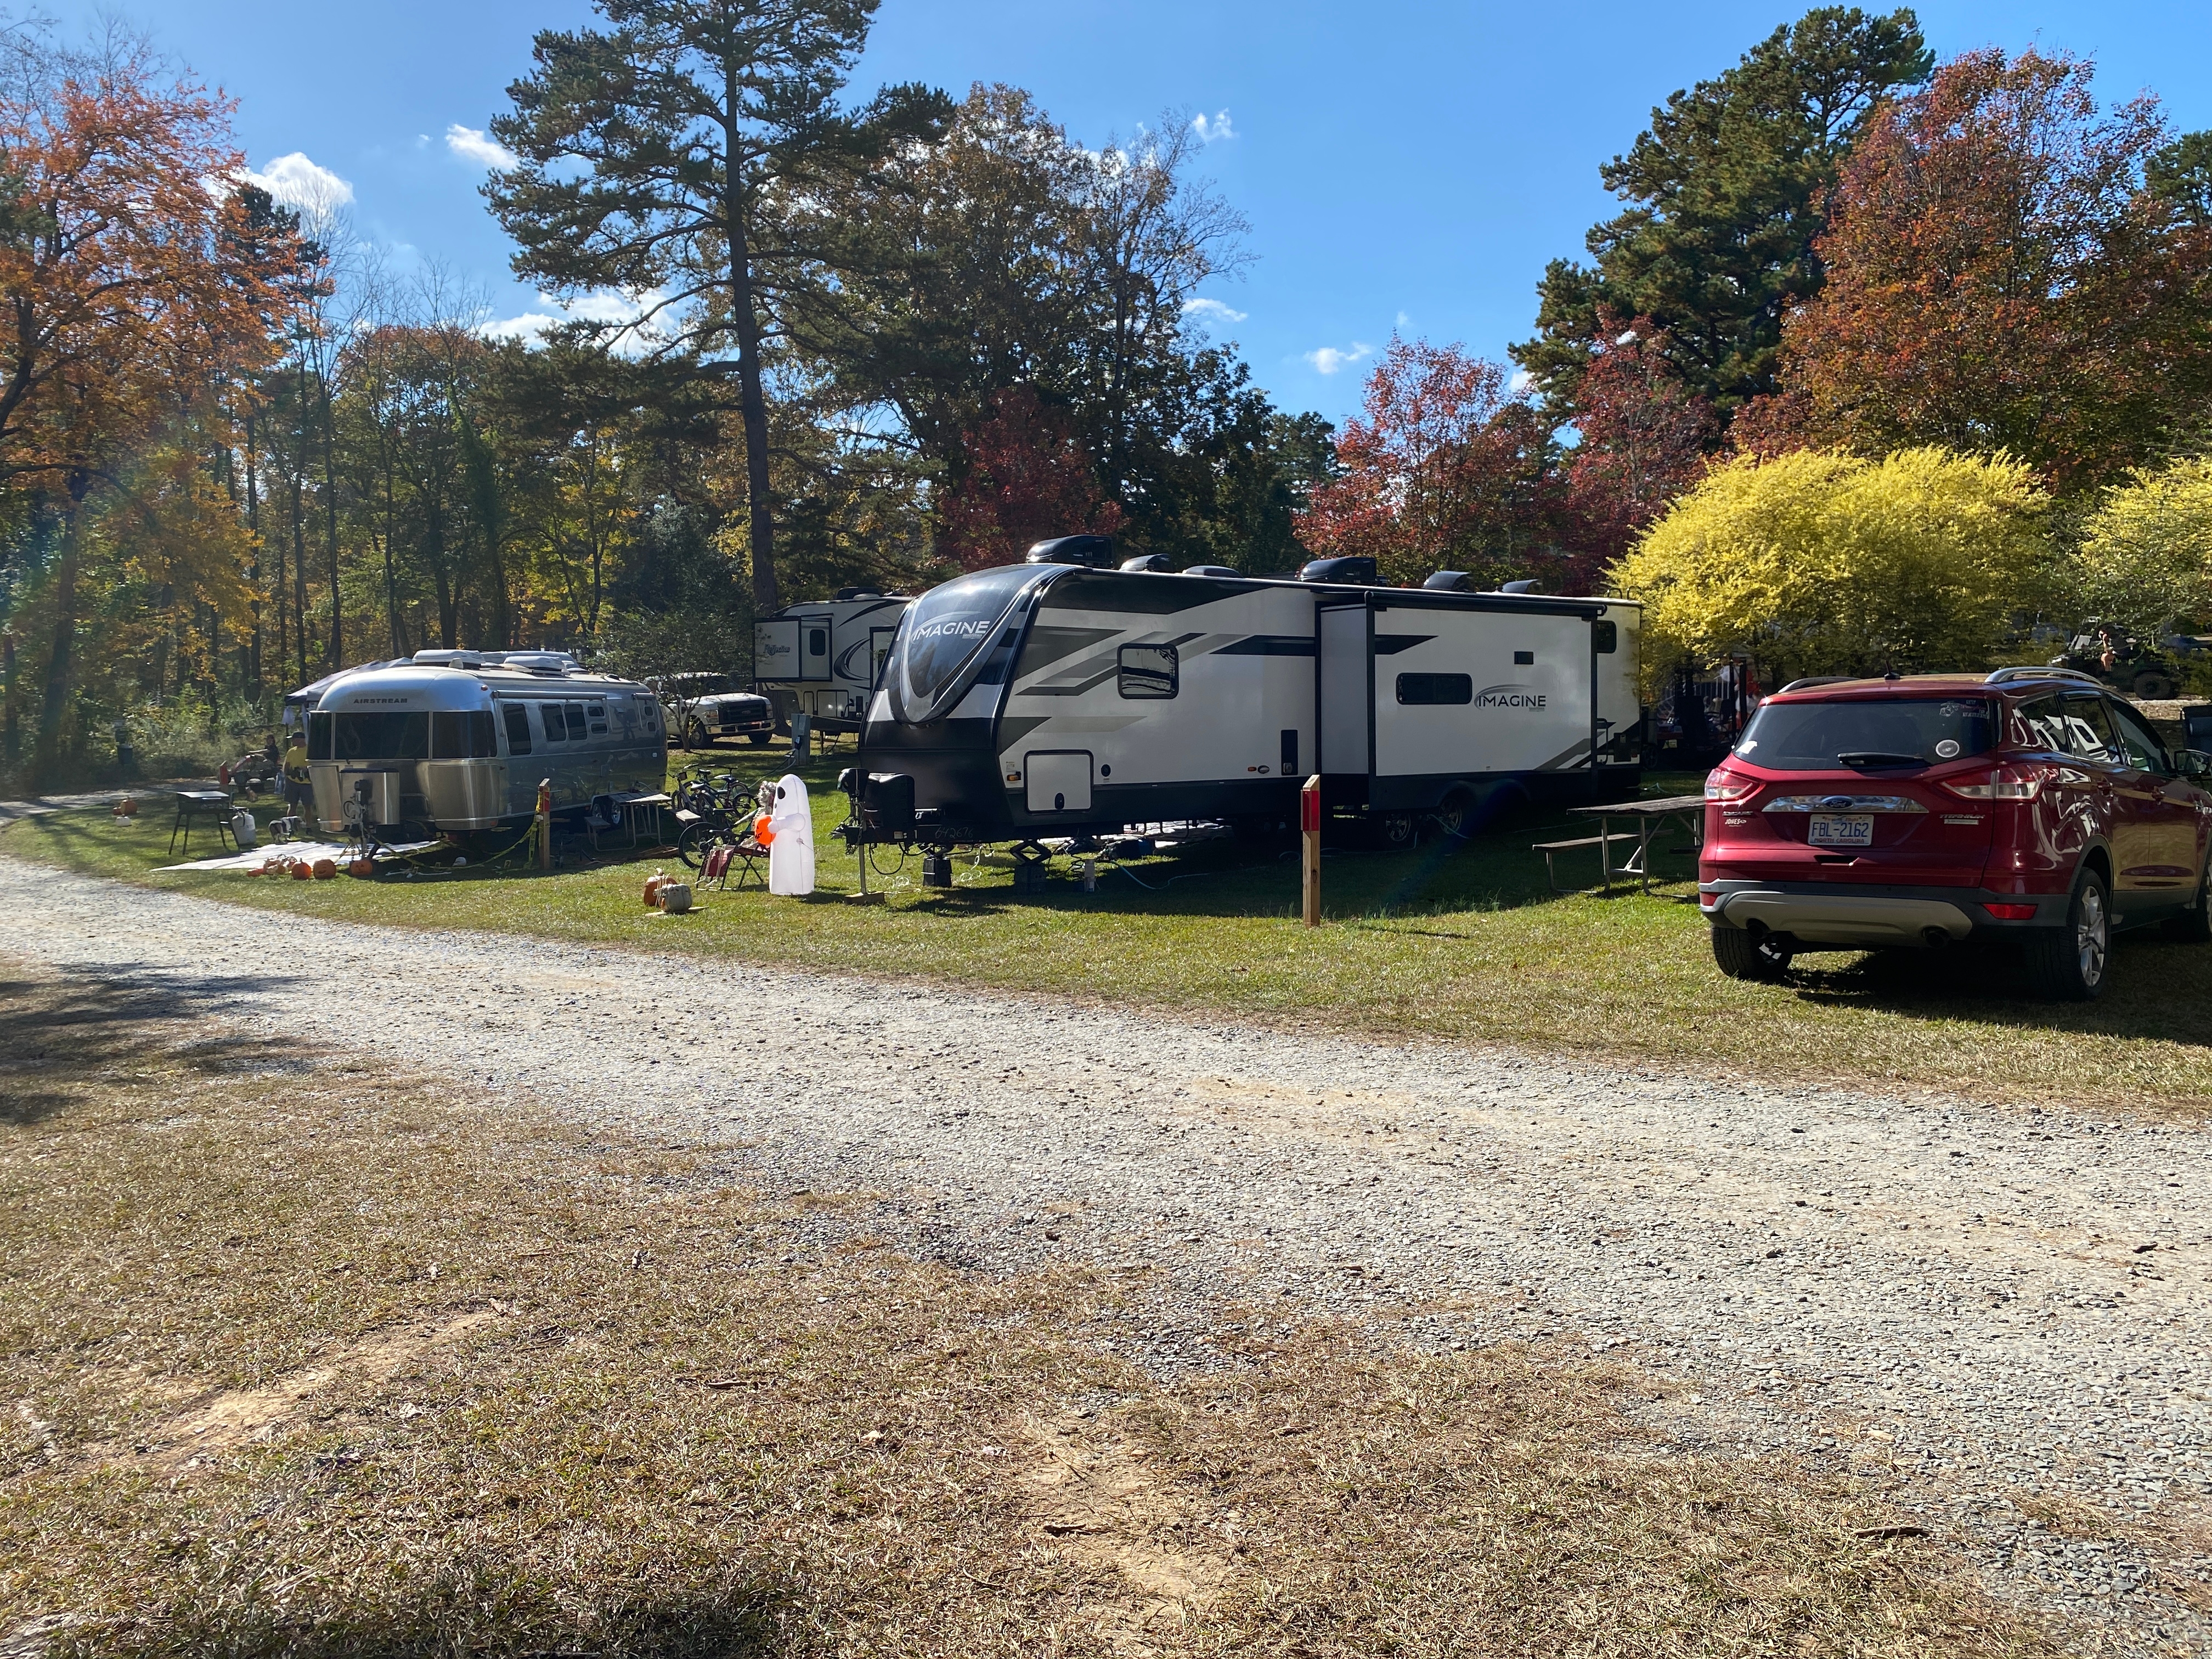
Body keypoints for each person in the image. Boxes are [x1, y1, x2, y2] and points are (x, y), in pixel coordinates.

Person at [281, 730, 313, 824]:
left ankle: (308, 826)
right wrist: (287, 775)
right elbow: (286, 765)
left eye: (294, 739)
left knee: (307, 806)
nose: (293, 741)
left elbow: (316, 765)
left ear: (300, 739)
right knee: (292, 805)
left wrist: (306, 768)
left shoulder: (310, 750)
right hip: (292, 782)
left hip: (306, 782)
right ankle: (290, 826)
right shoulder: (291, 752)